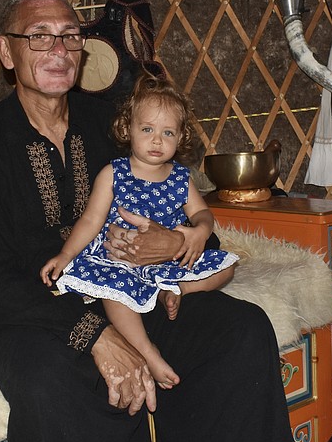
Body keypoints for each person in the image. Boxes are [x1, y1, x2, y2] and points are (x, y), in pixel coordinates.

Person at [0, 0, 293, 442]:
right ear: (7, 51)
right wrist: (97, 336)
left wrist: (173, 243)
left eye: (70, 36)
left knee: (241, 330)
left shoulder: (115, 125)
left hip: (137, 287)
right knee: (49, 385)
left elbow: (189, 216)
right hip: (41, 315)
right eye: (39, 36)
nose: (59, 49)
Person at [40, 75, 238, 389]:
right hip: (120, 260)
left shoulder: (180, 178)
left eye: (167, 132)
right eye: (147, 130)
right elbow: (91, 220)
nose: (157, 141)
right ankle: (147, 351)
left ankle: (176, 291)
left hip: (166, 261)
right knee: (114, 293)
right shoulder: (113, 173)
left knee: (226, 266)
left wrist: (200, 230)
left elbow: (201, 212)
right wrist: (66, 255)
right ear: (127, 129)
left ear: (180, 137)